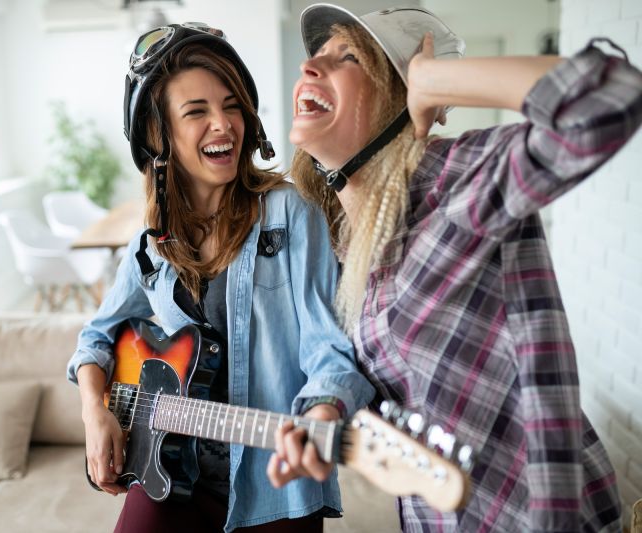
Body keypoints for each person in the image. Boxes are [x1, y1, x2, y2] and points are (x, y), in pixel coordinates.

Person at [268, 4, 641, 531]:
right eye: (316, 56)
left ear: (398, 99)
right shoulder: (342, 242)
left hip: (536, 515)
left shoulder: (453, 180)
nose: (310, 67)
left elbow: (609, 99)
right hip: (437, 516)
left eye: (346, 56)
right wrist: (324, 409)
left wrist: (433, 80)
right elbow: (352, 369)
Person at [66, 23, 374, 533]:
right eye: (197, 112)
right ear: (157, 135)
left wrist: (321, 417)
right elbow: (96, 339)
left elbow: (329, 348)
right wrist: (93, 412)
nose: (223, 125)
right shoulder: (150, 242)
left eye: (232, 106)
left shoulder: (290, 214)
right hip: (167, 471)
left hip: (275, 486)